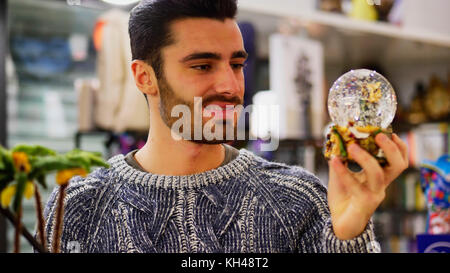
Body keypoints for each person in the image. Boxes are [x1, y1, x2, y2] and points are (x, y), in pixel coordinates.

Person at [42, 0, 408, 253]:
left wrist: (350, 234)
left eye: (236, 64)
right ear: (144, 77)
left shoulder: (299, 199)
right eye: (202, 66)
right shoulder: (78, 208)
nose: (231, 87)